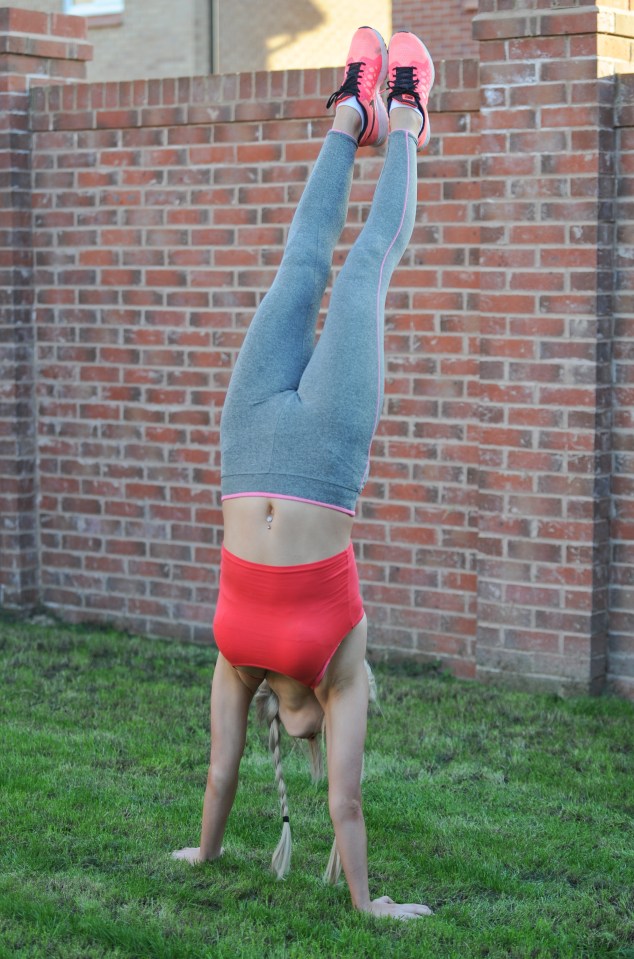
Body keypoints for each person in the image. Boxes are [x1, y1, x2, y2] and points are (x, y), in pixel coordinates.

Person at [172, 27, 435, 921]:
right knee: (360, 273)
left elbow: (219, 771)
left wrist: (203, 849)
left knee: (297, 269)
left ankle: (349, 114)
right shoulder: (345, 664)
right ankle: (400, 120)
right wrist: (370, 906)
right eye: (319, 735)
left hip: (245, 443)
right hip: (325, 455)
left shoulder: (234, 666)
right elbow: (349, 804)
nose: (307, 732)